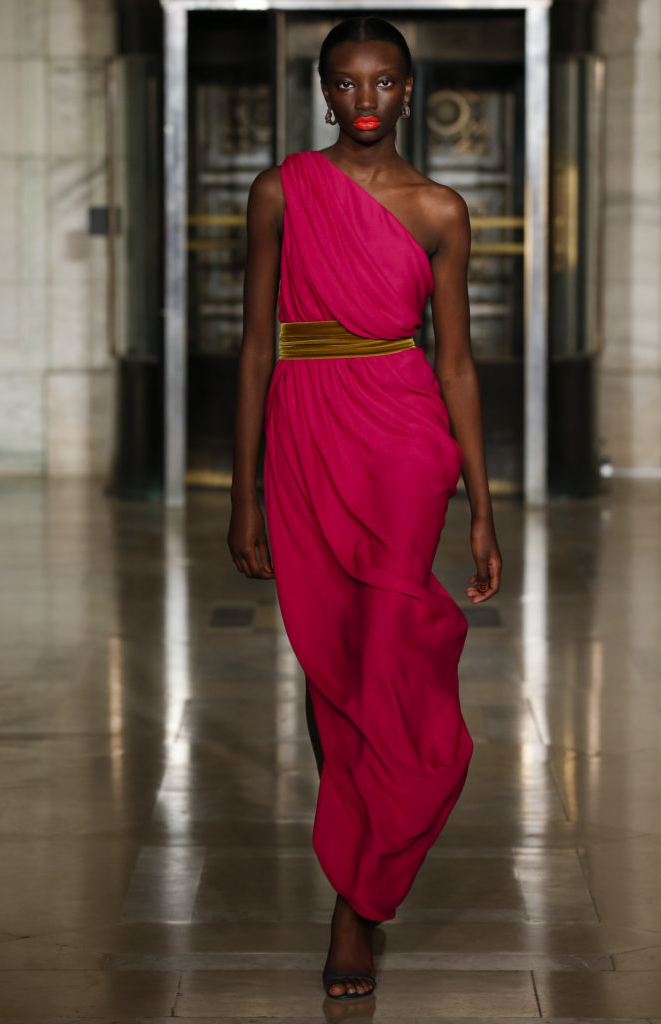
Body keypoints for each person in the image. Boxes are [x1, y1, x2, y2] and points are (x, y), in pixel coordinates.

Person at [227, 15, 502, 1002]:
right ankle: (359, 854)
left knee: (387, 643)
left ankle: (356, 900)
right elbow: (257, 345)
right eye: (347, 85)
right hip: (305, 431)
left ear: (411, 89)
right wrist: (243, 488)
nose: (367, 103)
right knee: (329, 656)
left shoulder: (439, 210)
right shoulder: (279, 192)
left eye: (385, 84)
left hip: (400, 438)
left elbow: (458, 362)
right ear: (322, 91)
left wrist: (481, 504)